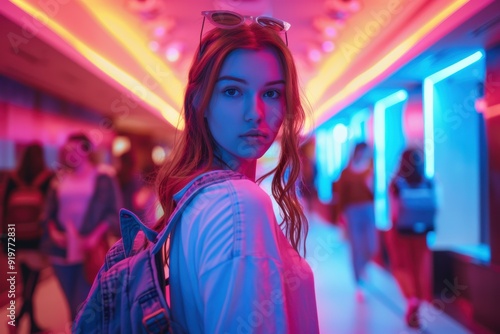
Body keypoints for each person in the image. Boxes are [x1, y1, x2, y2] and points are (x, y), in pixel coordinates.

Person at [152, 10, 319, 333]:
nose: (254, 113)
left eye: (271, 93)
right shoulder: (239, 205)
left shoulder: (197, 193)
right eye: (232, 91)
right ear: (200, 100)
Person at [42, 133, 121, 321]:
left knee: (84, 304)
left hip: (90, 250)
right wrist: (53, 233)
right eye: (69, 150)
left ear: (87, 151)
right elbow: (48, 213)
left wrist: (95, 235)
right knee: (71, 304)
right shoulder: (59, 178)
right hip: (61, 250)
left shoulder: (103, 177)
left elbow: (114, 212)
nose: (73, 154)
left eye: (78, 149)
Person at [1, 143, 53, 333]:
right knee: (31, 285)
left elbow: (6, 211)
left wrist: (7, 242)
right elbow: (49, 212)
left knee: (25, 282)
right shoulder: (46, 179)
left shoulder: (14, 179)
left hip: (16, 237)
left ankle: (31, 324)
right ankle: (21, 321)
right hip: (36, 240)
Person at [386, 147, 435, 329]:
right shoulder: (428, 182)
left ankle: (411, 299)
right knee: (419, 267)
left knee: (402, 267)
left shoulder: (396, 184)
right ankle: (418, 301)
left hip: (400, 233)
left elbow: (394, 212)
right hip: (421, 233)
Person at [337, 141, 377, 301]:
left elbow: (374, 193)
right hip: (352, 212)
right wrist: (341, 217)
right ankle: (358, 281)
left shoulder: (370, 170)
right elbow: (341, 195)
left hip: (368, 210)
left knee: (371, 246)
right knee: (356, 246)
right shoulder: (347, 172)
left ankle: (363, 268)